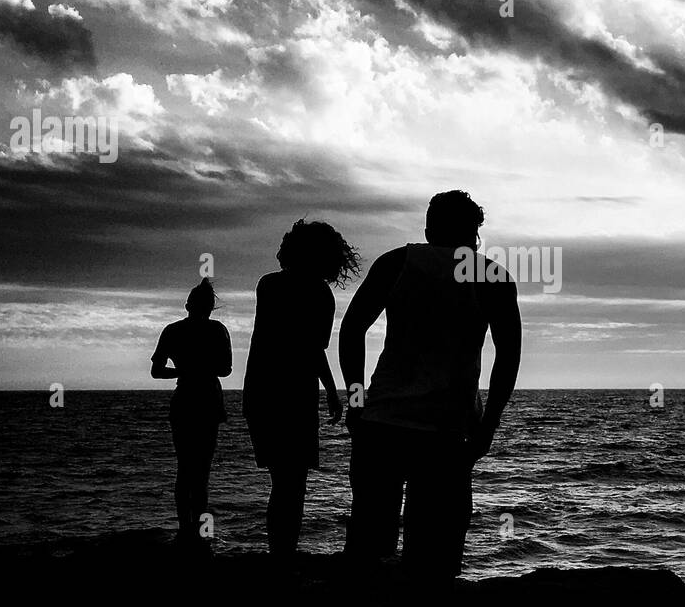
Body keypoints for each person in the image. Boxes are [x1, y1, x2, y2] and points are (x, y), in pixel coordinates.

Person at [338, 190, 522, 582]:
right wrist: (487, 426)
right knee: (437, 556)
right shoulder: (493, 277)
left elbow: (352, 329)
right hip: (447, 434)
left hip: (382, 424)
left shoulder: (396, 262)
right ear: (475, 235)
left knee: (369, 546)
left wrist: (356, 402)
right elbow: (508, 359)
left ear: (427, 229)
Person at [243, 220, 360, 556]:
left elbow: (296, 343)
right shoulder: (319, 294)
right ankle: (283, 558)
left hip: (260, 390)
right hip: (294, 394)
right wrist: (332, 389)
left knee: (283, 482)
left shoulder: (267, 285)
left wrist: (331, 389)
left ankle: (280, 556)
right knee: (292, 484)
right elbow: (313, 347)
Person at [151, 278, 232, 546]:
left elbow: (157, 370)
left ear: (188, 305)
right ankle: (196, 532)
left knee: (186, 469)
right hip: (206, 400)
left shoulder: (173, 331)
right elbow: (225, 369)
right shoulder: (218, 331)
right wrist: (198, 369)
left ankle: (186, 529)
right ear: (209, 308)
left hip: (187, 399)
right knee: (200, 472)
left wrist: (183, 371)